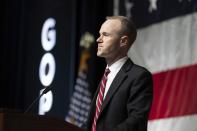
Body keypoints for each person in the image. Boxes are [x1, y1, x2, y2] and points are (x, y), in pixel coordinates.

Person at [86, 16, 153, 131]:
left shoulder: (139, 76)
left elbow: (136, 121)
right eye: (99, 34)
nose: (98, 39)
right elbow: (95, 123)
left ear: (123, 41)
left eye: (105, 35)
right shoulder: (106, 76)